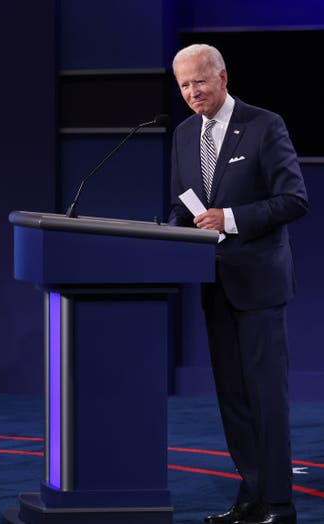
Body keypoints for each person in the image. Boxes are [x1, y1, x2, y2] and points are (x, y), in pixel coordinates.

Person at [168, 44, 308, 524]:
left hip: (260, 283)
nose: (192, 93)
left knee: (266, 396)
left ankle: (278, 503)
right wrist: (166, 229)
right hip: (214, 283)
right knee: (233, 397)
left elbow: (293, 199)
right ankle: (250, 496)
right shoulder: (185, 135)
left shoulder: (265, 125)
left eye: (199, 82)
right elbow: (182, 205)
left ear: (222, 77)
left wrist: (228, 217)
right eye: (183, 85)